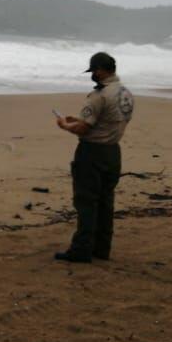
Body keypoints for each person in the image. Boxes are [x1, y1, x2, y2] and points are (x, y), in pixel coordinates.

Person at [54, 52, 134, 263]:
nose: (92, 76)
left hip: (92, 153)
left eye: (93, 71)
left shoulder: (99, 96)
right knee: (105, 202)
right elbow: (105, 120)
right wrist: (78, 119)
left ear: (99, 70)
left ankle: (81, 250)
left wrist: (65, 125)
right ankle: (101, 248)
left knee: (86, 202)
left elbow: (83, 128)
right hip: (113, 152)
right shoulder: (125, 93)